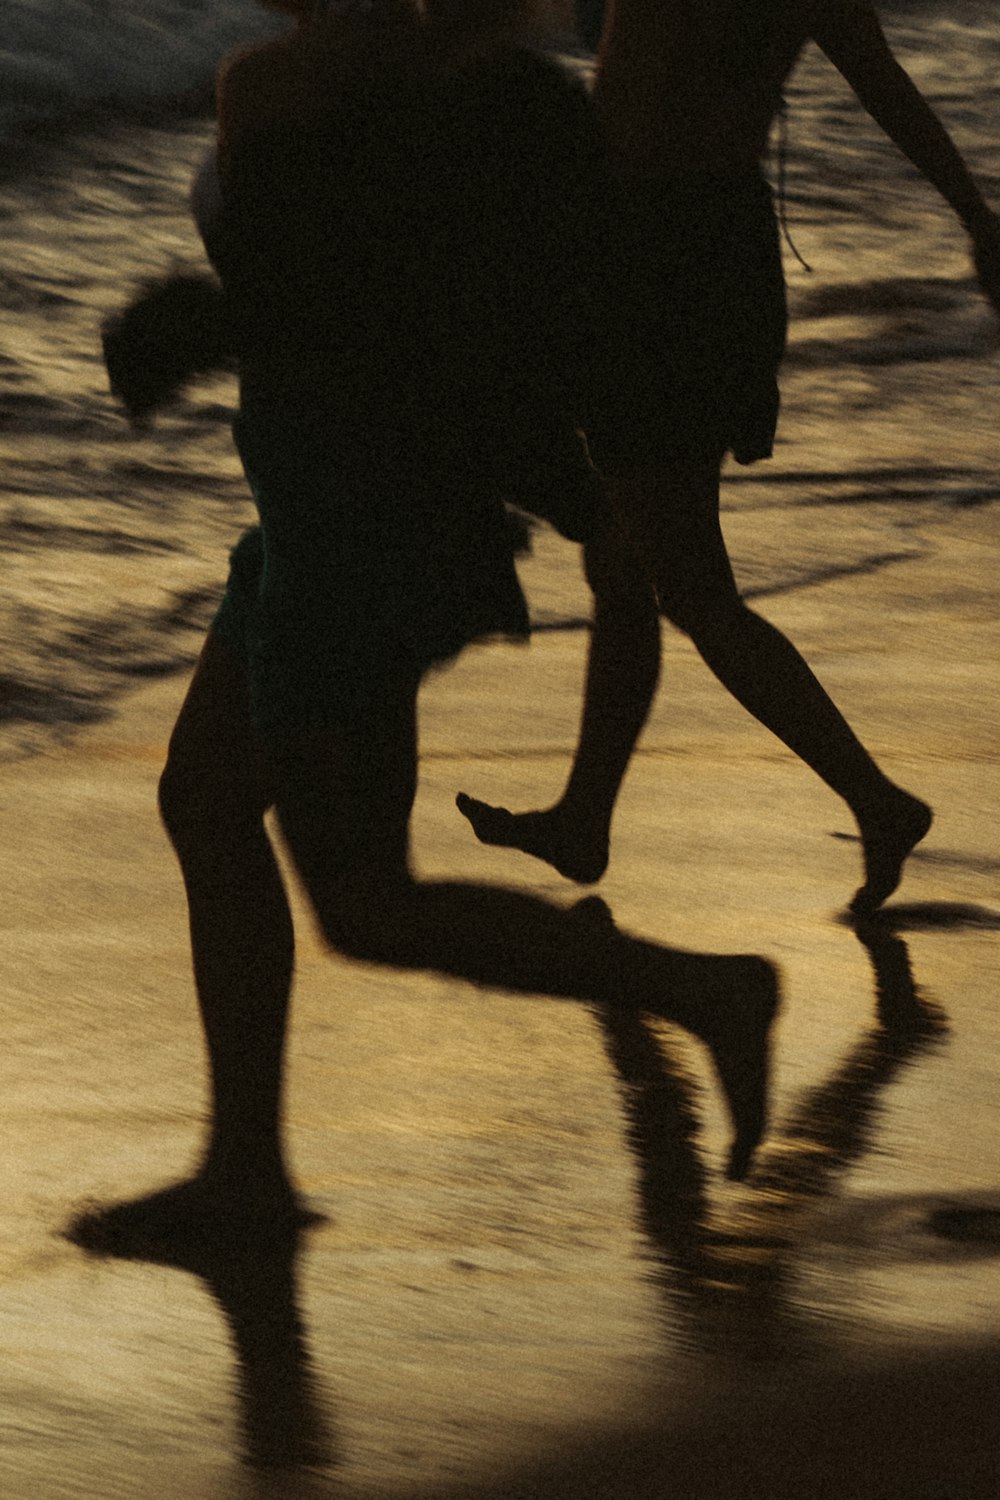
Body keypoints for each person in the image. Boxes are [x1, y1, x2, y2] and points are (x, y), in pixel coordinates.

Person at [72, 0, 781, 1262]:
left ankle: (701, 988)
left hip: (353, 531)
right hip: (346, 518)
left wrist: (192, 323)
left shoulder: (293, 88)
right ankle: (245, 1169)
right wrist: (570, 493)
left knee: (365, 905)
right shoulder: (499, 94)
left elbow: (351, 320)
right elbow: (471, 322)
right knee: (203, 799)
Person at [457, 0, 1000, 915]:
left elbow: (875, 80)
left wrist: (980, 219)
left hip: (670, 259)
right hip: (665, 248)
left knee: (690, 585)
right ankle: (585, 817)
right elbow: (874, 77)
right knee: (622, 560)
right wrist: (977, 218)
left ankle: (879, 800)